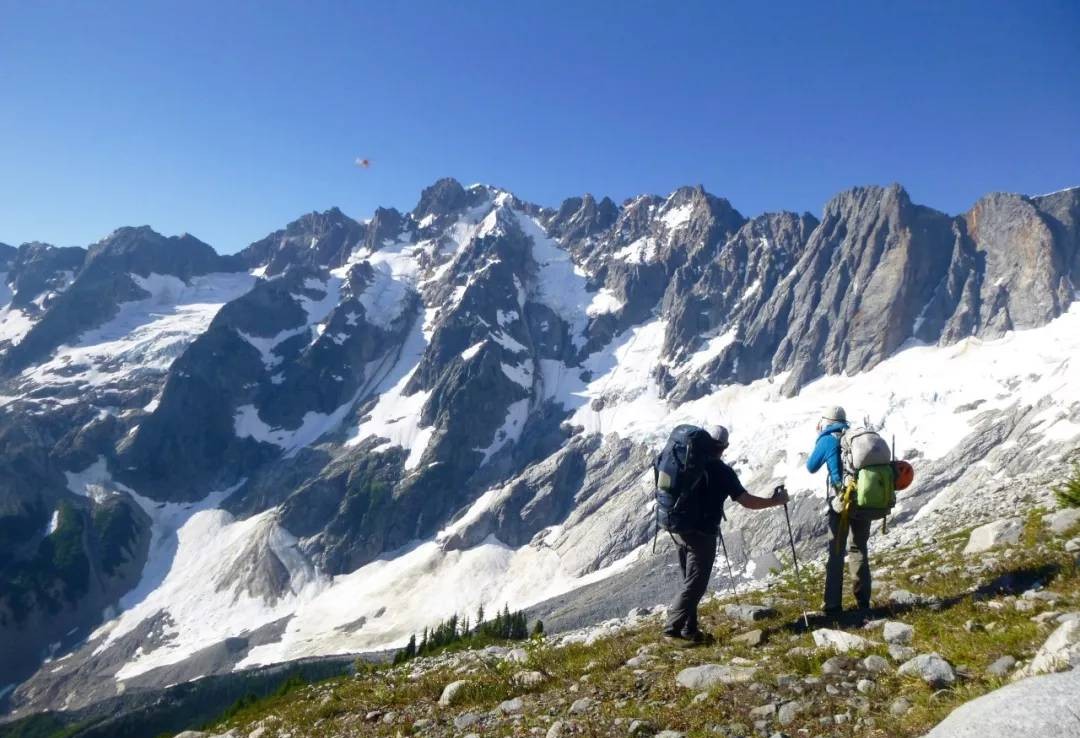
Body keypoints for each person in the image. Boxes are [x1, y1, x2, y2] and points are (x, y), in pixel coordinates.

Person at [663, 424, 789, 643]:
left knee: (689, 580)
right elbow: (747, 501)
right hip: (702, 533)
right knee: (696, 583)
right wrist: (775, 501)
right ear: (724, 447)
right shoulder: (722, 471)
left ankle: (689, 630)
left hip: (679, 526)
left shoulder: (686, 461)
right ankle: (671, 628)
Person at [806, 406, 870, 618]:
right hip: (863, 499)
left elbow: (811, 466)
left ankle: (833, 605)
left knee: (836, 553)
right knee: (859, 548)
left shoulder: (828, 438)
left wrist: (820, 437)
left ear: (827, 421)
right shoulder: (855, 437)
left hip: (841, 502)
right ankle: (863, 603)